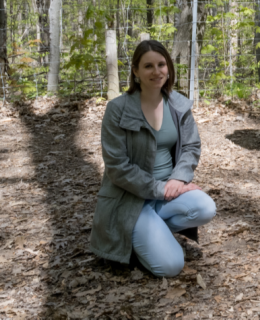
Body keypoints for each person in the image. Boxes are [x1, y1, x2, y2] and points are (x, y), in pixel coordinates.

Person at [89, 40, 216, 278]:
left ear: (168, 67)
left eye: (161, 64)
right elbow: (117, 167)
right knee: (171, 266)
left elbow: (191, 146)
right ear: (135, 71)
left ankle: (148, 233)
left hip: (167, 192)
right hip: (130, 199)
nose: (156, 72)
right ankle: (134, 235)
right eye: (148, 66)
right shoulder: (117, 109)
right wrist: (161, 189)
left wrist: (179, 179)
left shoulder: (178, 104)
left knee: (205, 207)